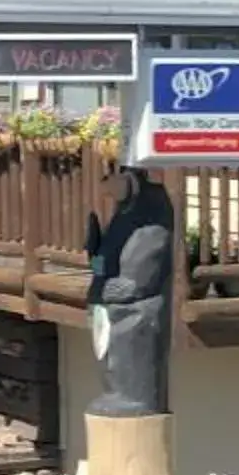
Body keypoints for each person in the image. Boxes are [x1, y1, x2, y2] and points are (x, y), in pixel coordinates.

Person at [83, 164, 177, 418]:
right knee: (109, 348)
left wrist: (135, 281)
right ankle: (116, 391)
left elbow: (152, 246)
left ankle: (134, 396)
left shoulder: (152, 207)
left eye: (109, 179)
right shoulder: (124, 210)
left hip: (136, 300)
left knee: (131, 338)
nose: (105, 187)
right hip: (111, 291)